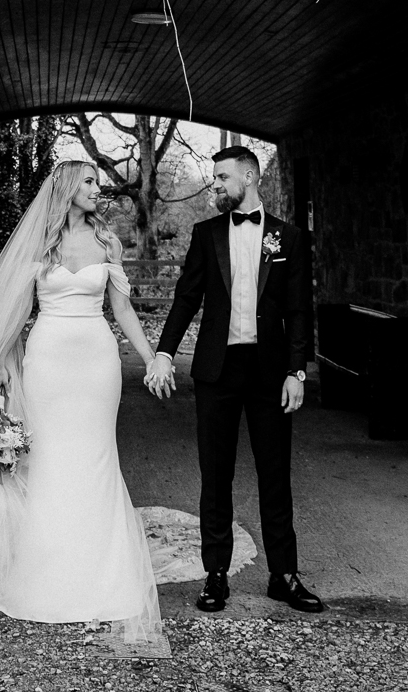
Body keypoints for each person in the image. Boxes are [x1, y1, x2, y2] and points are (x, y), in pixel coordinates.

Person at [0, 159, 170, 656]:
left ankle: (104, 578)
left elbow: (122, 308)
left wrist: (152, 359)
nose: (97, 187)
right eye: (88, 180)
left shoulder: (109, 242)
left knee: (97, 459)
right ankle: (48, 577)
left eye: (96, 181)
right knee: (52, 463)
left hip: (97, 362)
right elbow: (14, 313)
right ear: (66, 188)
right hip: (47, 363)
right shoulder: (40, 245)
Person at [146, 145, 325, 614]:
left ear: (249, 175)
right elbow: (187, 297)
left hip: (269, 372)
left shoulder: (289, 237)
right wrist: (164, 352)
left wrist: (297, 370)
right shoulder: (206, 234)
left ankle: (284, 575)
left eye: (223, 177)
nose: (217, 186)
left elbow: (298, 311)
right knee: (215, 474)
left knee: (275, 474)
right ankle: (216, 574)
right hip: (216, 371)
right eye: (216, 178)